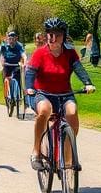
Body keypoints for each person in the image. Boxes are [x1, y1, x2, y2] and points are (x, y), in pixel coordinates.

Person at [25, 17, 95, 170]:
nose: (53, 37)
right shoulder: (40, 53)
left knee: (72, 111)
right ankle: (36, 151)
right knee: (44, 110)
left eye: (57, 34)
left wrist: (88, 83)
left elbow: (79, 69)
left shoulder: (70, 53)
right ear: (46, 35)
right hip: (43, 93)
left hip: (65, 93)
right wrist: (29, 87)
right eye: (50, 33)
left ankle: (68, 154)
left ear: (63, 36)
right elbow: (30, 72)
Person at [0, 29, 27, 103]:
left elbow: (24, 55)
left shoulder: (19, 45)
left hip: (16, 65)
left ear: (16, 39)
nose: (11, 40)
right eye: (10, 38)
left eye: (13, 38)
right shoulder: (4, 45)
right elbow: (1, 55)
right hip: (7, 65)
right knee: (5, 76)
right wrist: (2, 61)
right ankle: (6, 94)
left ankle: (18, 96)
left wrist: (25, 62)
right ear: (8, 38)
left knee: (19, 79)